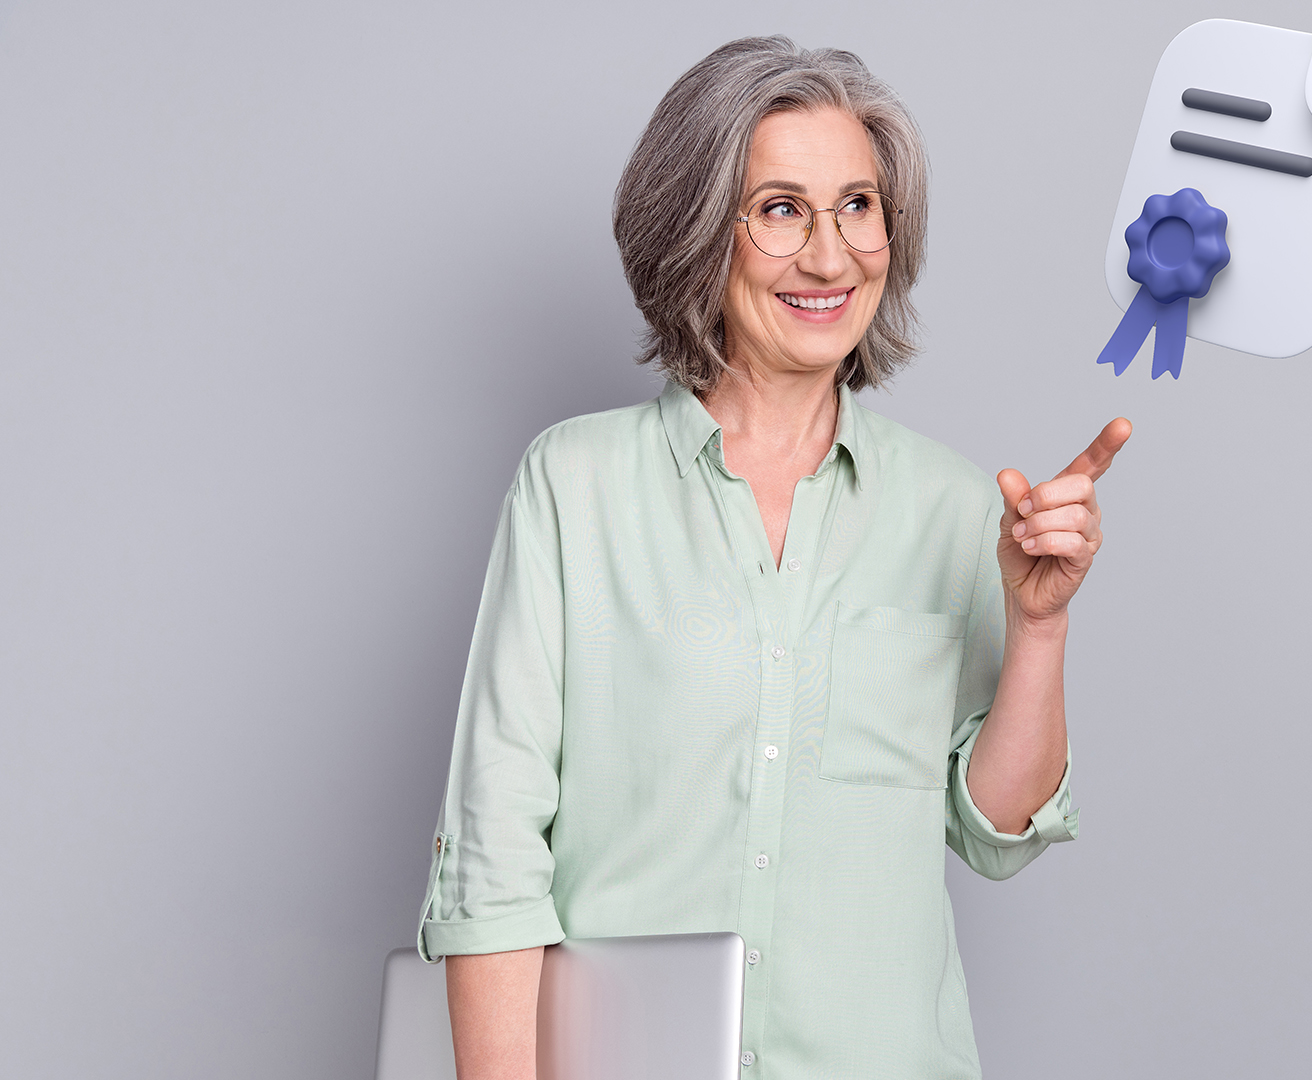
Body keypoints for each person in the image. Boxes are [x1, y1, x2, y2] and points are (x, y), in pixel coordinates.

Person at [416, 35, 1131, 1080]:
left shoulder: (952, 506)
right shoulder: (573, 487)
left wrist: (1041, 627)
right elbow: (494, 854)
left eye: (858, 206)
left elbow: (999, 829)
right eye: (782, 208)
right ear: (698, 231)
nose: (832, 256)